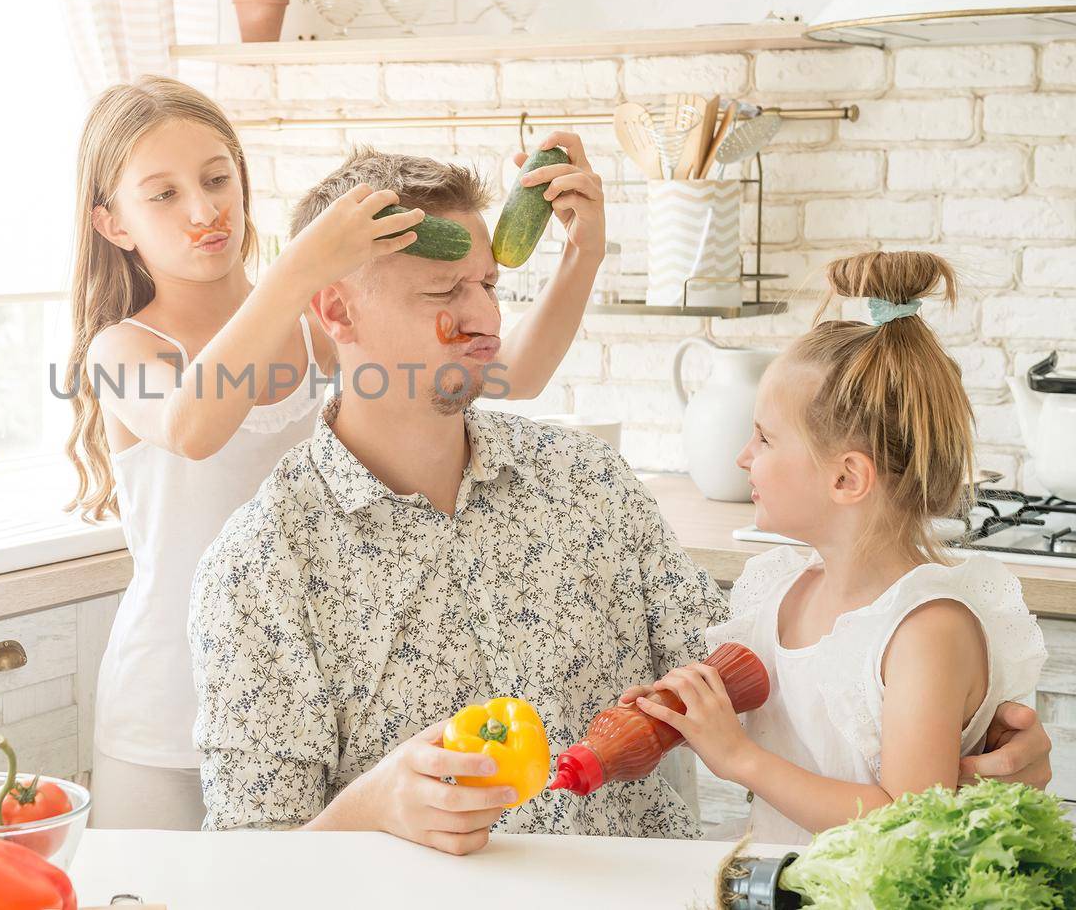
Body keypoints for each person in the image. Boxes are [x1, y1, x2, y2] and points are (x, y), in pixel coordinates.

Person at [188, 171, 1055, 851]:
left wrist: (977, 742)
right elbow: (251, 868)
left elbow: (764, 687)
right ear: (335, 308)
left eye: (489, 284)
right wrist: (371, 807)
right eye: (442, 294)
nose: (487, 317)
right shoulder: (263, 565)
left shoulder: (585, 484)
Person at [63, 75, 607, 829]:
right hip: (164, 711)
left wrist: (585, 251)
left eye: (219, 178)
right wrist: (300, 270)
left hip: (296, 704)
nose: (204, 209)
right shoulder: (122, 349)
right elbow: (194, 427)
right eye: (162, 194)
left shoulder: (313, 332)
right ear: (113, 223)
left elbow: (512, 373)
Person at [623, 251, 1046, 845]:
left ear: (846, 478)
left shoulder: (925, 631)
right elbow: (788, 732)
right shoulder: (782, 589)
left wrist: (740, 758)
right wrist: (680, 714)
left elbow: (907, 823)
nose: (744, 456)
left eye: (765, 437)